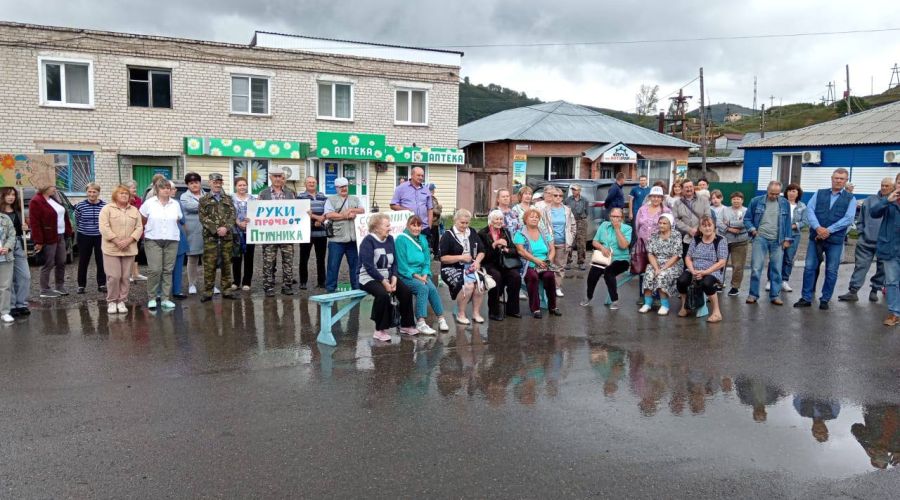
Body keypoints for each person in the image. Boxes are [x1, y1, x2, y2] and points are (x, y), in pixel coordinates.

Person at [794, 168, 857, 310]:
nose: (839, 180)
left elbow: (848, 219)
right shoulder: (819, 193)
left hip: (835, 241)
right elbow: (810, 210)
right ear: (832, 178)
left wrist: (828, 230)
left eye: (842, 179)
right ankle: (806, 298)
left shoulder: (850, 198)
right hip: (815, 238)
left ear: (846, 181)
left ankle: (825, 299)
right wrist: (818, 228)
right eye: (836, 178)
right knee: (810, 267)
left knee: (831, 270)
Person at [359, 213, 417, 342]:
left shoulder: (390, 239)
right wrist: (384, 282)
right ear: (376, 227)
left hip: (388, 276)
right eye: (387, 225)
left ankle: (406, 325)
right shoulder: (368, 241)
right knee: (383, 295)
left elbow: (395, 262)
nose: (389, 228)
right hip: (368, 277)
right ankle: (380, 330)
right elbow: (369, 267)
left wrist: (394, 278)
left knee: (406, 292)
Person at [839, 177, 893, 303]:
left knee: (882, 268)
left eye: (887, 186)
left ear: (893, 187)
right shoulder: (870, 200)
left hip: (885, 243)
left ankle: (875, 290)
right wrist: (860, 232)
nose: (884, 187)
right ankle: (853, 291)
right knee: (860, 266)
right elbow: (861, 218)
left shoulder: (895, 202)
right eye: (882, 185)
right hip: (866, 240)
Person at [395, 215, 449, 334]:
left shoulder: (423, 239)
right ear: (408, 226)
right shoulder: (400, 240)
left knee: (433, 289)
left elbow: (426, 261)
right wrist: (417, 276)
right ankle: (420, 322)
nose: (416, 228)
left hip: (421, 274)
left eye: (419, 225)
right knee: (422, 288)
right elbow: (401, 264)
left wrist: (425, 274)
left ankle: (441, 318)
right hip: (407, 275)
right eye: (413, 225)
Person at [744, 180, 793, 305]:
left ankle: (775, 296)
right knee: (756, 268)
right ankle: (753, 295)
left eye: (777, 194)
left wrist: (787, 239)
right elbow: (747, 219)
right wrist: (753, 230)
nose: (774, 196)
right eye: (772, 193)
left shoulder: (784, 203)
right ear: (767, 190)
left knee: (776, 269)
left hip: (778, 240)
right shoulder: (756, 201)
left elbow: (787, 222)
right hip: (760, 238)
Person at [98, 185, 143, 314]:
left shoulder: (134, 210)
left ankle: (122, 300)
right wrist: (117, 241)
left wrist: (129, 240)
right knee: (114, 276)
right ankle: (112, 301)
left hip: (129, 248)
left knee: (125, 276)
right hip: (111, 248)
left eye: (126, 194)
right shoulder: (107, 209)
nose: (124, 195)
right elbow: (104, 227)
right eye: (121, 193)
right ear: (115, 195)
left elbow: (139, 227)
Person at [140, 178, 183, 310]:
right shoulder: (149, 203)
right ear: (157, 190)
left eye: (168, 188)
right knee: (155, 270)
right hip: (153, 239)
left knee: (168, 270)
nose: (166, 190)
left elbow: (178, 219)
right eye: (163, 188)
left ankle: (165, 298)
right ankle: (152, 298)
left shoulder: (175, 204)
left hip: (171, 240)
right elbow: (142, 219)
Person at [676, 216, 728, 322]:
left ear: (714, 226)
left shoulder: (720, 240)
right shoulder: (696, 239)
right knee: (681, 281)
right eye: (704, 226)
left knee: (706, 283)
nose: (707, 228)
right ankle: (685, 306)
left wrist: (705, 272)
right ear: (700, 228)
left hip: (713, 270)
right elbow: (688, 257)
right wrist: (692, 270)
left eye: (709, 225)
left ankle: (717, 312)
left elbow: (722, 262)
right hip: (694, 269)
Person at [440, 209, 487, 324]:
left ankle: (476, 313)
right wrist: (460, 258)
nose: (465, 225)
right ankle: (461, 313)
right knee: (468, 286)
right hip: (451, 267)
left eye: (467, 223)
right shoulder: (447, 235)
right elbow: (443, 258)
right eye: (462, 223)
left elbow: (482, 251)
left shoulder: (472, 232)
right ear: (455, 220)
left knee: (480, 284)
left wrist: (477, 262)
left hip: (471, 267)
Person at [580, 207, 632, 309]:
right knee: (593, 273)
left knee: (609, 272)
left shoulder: (627, 228)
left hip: (621, 259)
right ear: (610, 217)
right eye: (613, 216)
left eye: (618, 217)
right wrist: (602, 248)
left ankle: (614, 300)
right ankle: (588, 296)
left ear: (621, 218)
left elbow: (623, 246)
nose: (615, 219)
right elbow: (595, 241)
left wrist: (617, 229)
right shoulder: (604, 225)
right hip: (604, 257)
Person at [513, 208, 561, 318]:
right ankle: (535, 309)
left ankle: (552, 306)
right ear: (525, 219)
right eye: (532, 217)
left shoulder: (543, 232)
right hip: (528, 264)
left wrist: (548, 260)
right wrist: (536, 260)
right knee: (533, 277)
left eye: (536, 217)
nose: (535, 219)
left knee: (549, 276)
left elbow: (552, 249)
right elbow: (521, 251)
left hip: (544, 263)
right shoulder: (520, 233)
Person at [259, 166, 297, 296]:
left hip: (287, 234)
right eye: (275, 176)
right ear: (270, 178)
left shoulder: (290, 193)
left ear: (283, 178)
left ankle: (287, 286)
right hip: (269, 234)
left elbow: (296, 210)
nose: (277, 179)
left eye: (280, 176)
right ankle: (268, 287)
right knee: (268, 261)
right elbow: (258, 212)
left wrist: (305, 212)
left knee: (288, 261)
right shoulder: (263, 194)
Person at [198, 173, 236, 302]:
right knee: (210, 265)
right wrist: (216, 230)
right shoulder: (204, 200)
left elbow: (232, 215)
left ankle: (227, 290)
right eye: (215, 182)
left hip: (226, 236)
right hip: (210, 237)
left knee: (226, 263)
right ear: (210, 183)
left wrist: (226, 228)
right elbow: (203, 218)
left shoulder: (228, 198)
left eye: (220, 182)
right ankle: (208, 292)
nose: (218, 184)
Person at [29, 184, 72, 298]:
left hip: (61, 235)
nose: (55, 189)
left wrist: (68, 230)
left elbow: (64, 215)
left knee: (62, 261)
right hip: (48, 236)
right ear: (45, 188)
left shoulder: (54, 198)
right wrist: (38, 241)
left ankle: (59, 286)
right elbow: (35, 222)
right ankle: (45, 289)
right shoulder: (36, 201)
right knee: (48, 263)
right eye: (52, 187)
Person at [478, 209, 522, 321]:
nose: (499, 221)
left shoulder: (505, 232)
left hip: (505, 263)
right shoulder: (482, 233)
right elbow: (483, 255)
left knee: (515, 277)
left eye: (501, 219)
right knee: (496, 277)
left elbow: (514, 251)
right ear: (490, 221)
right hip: (489, 263)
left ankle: (512, 309)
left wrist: (506, 250)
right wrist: (494, 245)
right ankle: (494, 312)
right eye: (496, 219)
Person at [324, 177, 365, 293]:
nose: (344, 189)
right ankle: (331, 289)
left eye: (345, 186)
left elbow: (362, 210)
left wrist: (352, 210)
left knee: (355, 266)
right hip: (337, 239)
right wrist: (345, 215)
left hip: (353, 239)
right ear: (336, 188)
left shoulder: (355, 199)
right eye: (341, 187)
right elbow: (328, 215)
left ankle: (356, 288)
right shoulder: (331, 200)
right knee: (333, 266)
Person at [870, 173, 900, 326]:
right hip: (891, 248)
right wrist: (887, 201)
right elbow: (873, 212)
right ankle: (895, 313)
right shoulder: (889, 200)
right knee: (892, 282)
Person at [639, 213, 682, 315]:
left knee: (662, 276)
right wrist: (656, 268)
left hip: (672, 264)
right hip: (656, 263)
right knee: (649, 273)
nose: (661, 225)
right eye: (660, 223)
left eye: (665, 223)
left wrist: (662, 269)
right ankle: (647, 303)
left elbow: (677, 255)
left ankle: (664, 305)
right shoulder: (654, 235)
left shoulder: (676, 235)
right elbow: (650, 254)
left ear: (670, 224)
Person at [0, 188, 31, 317]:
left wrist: (26, 228)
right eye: (8, 194)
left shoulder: (19, 212)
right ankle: (11, 306)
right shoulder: (1, 213)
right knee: (8, 278)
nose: (11, 197)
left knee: (25, 276)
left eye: (13, 194)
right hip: (4, 246)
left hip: (18, 244)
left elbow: (24, 230)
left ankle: (21, 304)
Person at [539, 185, 575, 297]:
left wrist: (571, 237)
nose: (558, 197)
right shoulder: (545, 210)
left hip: (563, 243)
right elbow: (542, 226)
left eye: (560, 196)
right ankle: (545, 287)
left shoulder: (567, 210)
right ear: (551, 196)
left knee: (560, 267)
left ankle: (557, 287)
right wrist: (546, 239)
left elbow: (573, 225)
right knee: (547, 265)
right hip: (548, 243)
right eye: (555, 195)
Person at [73, 182, 107, 294]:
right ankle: (81, 285)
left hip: (100, 236)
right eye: (90, 191)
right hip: (84, 236)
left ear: (98, 193)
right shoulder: (80, 205)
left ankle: (102, 284)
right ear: (87, 192)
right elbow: (77, 220)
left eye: (94, 192)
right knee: (83, 260)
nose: (92, 194)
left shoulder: (104, 206)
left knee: (101, 261)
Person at [297, 176, 327, 290]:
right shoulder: (300, 197)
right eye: (309, 182)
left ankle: (321, 282)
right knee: (303, 259)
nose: (311, 184)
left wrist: (321, 219)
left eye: (313, 182)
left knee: (321, 259)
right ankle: (303, 282)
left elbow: (328, 211)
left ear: (316, 183)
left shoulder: (323, 197)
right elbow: (299, 213)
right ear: (305, 184)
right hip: (306, 233)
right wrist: (316, 218)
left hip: (321, 233)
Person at [180, 172, 205, 295]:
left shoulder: (207, 194)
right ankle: (192, 284)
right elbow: (192, 207)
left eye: (196, 182)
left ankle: (209, 284)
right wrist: (207, 203)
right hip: (193, 232)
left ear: (200, 183)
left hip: (208, 232)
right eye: (191, 183)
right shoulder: (184, 197)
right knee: (193, 259)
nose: (194, 185)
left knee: (209, 260)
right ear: (187, 185)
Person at [390, 166, 433, 239]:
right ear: (412, 175)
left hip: (423, 228)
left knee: (425, 249)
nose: (421, 178)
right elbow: (393, 205)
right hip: (408, 228)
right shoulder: (401, 188)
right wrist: (405, 209)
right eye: (418, 175)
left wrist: (429, 226)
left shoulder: (426, 190)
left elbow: (430, 209)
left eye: (422, 176)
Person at [672, 179, 711, 257]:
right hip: (684, 237)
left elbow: (707, 216)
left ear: (694, 187)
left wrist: (698, 229)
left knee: (700, 260)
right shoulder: (677, 203)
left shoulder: (704, 200)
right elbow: (675, 219)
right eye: (686, 187)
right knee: (686, 261)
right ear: (682, 189)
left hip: (701, 235)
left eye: (691, 186)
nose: (689, 189)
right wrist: (689, 229)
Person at [781, 184, 808, 293]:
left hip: (794, 235)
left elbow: (805, 221)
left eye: (794, 191)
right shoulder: (780, 203)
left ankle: (784, 280)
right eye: (790, 191)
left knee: (788, 258)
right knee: (776, 257)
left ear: (798, 194)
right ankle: (771, 280)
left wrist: (794, 225)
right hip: (780, 234)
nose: (791, 193)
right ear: (786, 192)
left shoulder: (802, 206)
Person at [722, 191, 750, 296]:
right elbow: (720, 222)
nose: (736, 200)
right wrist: (730, 229)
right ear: (731, 200)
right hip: (724, 240)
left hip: (740, 241)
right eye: (734, 199)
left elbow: (745, 222)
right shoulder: (725, 210)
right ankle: (718, 283)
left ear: (742, 200)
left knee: (738, 265)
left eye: (738, 199)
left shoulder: (746, 210)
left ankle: (735, 287)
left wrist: (729, 223)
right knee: (720, 264)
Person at [231, 177, 255, 291]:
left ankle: (247, 282)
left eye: (244, 185)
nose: (242, 187)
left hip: (250, 232)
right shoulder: (231, 198)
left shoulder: (252, 199)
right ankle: (236, 281)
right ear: (236, 186)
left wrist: (249, 220)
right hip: (235, 232)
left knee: (249, 258)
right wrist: (238, 222)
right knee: (236, 258)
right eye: (240, 185)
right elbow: (229, 213)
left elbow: (256, 213)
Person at [124, 180, 147, 282]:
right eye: (133, 187)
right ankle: (126, 274)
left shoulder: (138, 200)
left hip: (138, 229)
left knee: (136, 252)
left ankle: (135, 273)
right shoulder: (124, 200)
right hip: (127, 230)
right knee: (127, 253)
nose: (135, 189)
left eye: (135, 187)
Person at [564, 184, 589, 270]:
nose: (574, 191)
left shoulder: (584, 200)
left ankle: (581, 262)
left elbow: (587, 212)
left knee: (581, 243)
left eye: (576, 190)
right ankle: (568, 261)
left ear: (579, 191)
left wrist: (582, 219)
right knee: (570, 241)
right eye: (573, 190)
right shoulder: (567, 200)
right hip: (570, 221)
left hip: (581, 221)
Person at [0, 210, 14, 323]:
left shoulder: (5, 218)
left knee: (5, 286)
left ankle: (5, 312)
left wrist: (8, 247)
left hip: (4, 257)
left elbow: (12, 235)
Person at [428, 183, 442, 259]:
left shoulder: (434, 198)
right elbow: (431, 210)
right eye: (432, 189)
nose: (433, 191)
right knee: (431, 239)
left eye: (433, 189)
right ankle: (431, 253)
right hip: (431, 222)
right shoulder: (428, 198)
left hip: (436, 222)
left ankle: (436, 254)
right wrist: (439, 209)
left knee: (436, 239)